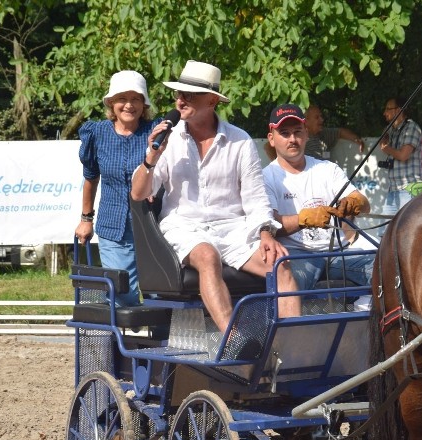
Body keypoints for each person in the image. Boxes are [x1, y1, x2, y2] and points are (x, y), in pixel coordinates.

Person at [130, 60, 300, 338]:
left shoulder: (240, 141)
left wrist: (267, 234)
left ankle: (294, 347)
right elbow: (137, 194)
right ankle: (234, 340)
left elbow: (256, 199)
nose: (179, 99)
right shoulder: (167, 139)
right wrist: (151, 157)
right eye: (178, 93)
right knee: (208, 256)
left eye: (188, 94)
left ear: (211, 101)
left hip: (233, 229)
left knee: (280, 265)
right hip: (184, 227)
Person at [262, 103, 374, 291]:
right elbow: (269, 226)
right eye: (285, 133)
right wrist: (304, 219)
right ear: (271, 139)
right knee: (285, 285)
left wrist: (355, 203)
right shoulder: (265, 177)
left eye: (297, 132)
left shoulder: (328, 169)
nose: (293, 139)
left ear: (306, 134)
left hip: (340, 252)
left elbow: (365, 205)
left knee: (387, 269)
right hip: (295, 255)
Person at [76, 70, 161, 306]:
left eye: (135, 99)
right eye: (122, 99)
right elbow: (91, 178)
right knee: (122, 296)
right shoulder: (97, 133)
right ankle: (123, 341)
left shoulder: (156, 131)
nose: (129, 105)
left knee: (160, 293)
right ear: (111, 103)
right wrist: (86, 219)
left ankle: (161, 342)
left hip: (153, 226)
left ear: (144, 104)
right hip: (113, 227)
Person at [379, 97, 422, 215]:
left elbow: (403, 155)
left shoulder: (411, 127)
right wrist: (384, 137)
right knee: (384, 232)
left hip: (410, 188)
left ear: (398, 110)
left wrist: (387, 149)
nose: (384, 113)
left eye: (388, 109)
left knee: (406, 230)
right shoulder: (392, 129)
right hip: (394, 189)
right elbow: (383, 138)